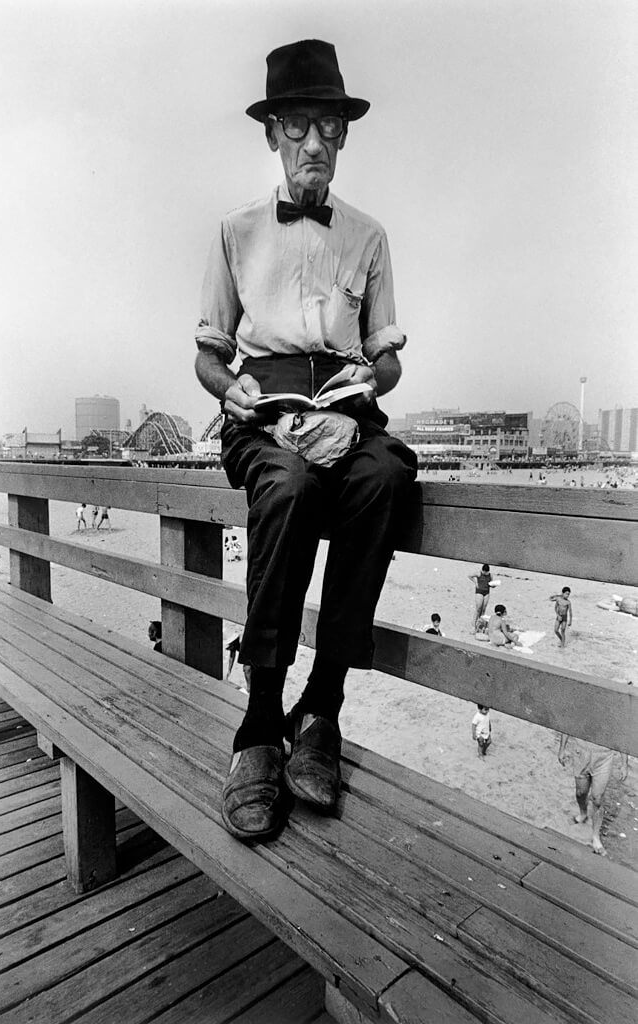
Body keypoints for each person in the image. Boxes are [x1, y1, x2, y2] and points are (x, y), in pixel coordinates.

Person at [194, 39, 417, 841]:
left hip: (344, 411)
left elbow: (386, 359)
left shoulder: (370, 236)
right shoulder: (234, 232)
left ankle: (321, 707)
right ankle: (258, 724)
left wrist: (362, 392)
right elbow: (208, 356)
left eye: (328, 127)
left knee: (387, 477)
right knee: (286, 488)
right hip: (263, 418)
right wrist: (239, 392)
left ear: (345, 136)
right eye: (297, 127)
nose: (313, 144)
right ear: (271, 134)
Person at [558, 734, 629, 856]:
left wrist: (624, 763)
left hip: (604, 756)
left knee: (597, 798)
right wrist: (562, 748)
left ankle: (595, 836)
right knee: (580, 793)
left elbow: (621, 732)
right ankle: (583, 814)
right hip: (581, 751)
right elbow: (568, 721)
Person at [468, 564, 493, 633]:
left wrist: (493, 585)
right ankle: (473, 625)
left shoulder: (490, 575)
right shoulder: (479, 573)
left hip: (486, 592)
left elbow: (491, 583)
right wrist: (475, 582)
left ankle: (480, 625)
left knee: (483, 609)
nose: (485, 573)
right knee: (478, 608)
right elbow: (470, 576)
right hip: (479, 591)